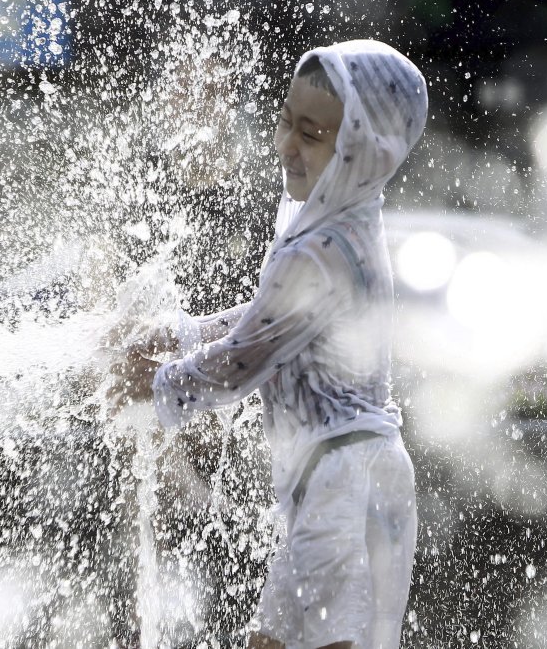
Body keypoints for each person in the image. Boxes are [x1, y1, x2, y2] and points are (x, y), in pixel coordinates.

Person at [108, 39, 427, 649]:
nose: (287, 146)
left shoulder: (321, 249)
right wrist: (175, 334)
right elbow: (269, 319)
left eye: (312, 135)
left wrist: (153, 381)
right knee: (271, 641)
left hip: (343, 482)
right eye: (285, 122)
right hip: (337, 473)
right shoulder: (340, 223)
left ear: (363, 151)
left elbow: (240, 364)